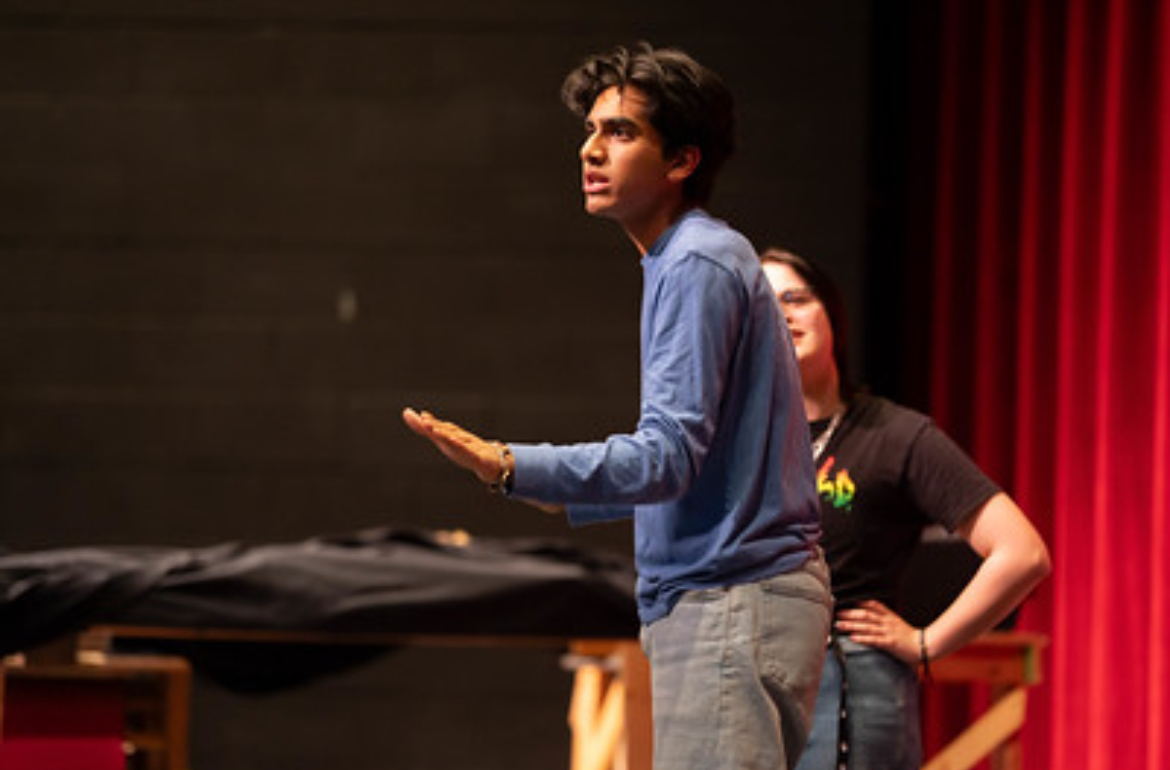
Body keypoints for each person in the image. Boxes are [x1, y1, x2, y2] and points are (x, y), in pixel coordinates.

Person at [403, 44, 831, 770]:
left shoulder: (695, 260)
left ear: (683, 160)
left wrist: (510, 466)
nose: (591, 149)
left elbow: (667, 459)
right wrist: (556, 493)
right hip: (732, 601)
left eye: (620, 132)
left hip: (731, 599)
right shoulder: (683, 259)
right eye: (591, 130)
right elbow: (699, 465)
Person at [759, 248, 1052, 770]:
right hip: (752, 685)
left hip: (849, 685)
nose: (782, 314)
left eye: (796, 298)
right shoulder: (737, 443)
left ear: (833, 316)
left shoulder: (894, 435)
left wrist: (926, 642)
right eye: (763, 304)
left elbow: (1022, 553)